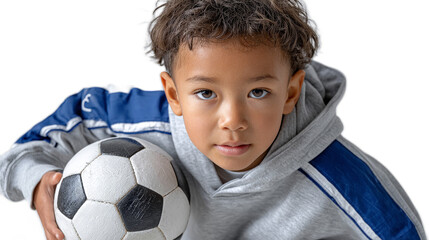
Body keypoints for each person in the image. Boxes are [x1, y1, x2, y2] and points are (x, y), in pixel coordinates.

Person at [0, 0, 426, 239]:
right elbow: (29, 148)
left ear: (290, 92)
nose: (232, 120)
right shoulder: (141, 122)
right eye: (205, 93)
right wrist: (38, 181)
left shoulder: (347, 186)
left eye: (258, 92)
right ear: (173, 94)